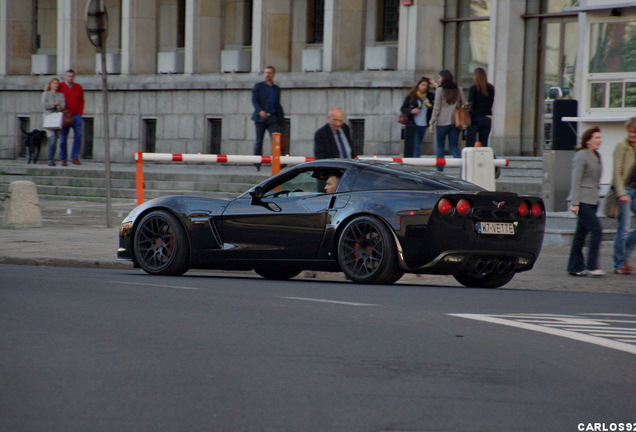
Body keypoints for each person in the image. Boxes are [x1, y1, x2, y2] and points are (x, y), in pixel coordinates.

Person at [566, 126, 606, 277]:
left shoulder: (597, 155)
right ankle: (592, 265)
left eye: (600, 138)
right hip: (582, 200)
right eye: (596, 138)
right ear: (588, 141)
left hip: (593, 200)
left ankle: (574, 267)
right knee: (596, 230)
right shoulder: (581, 155)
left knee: (580, 235)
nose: (599, 140)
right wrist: (575, 203)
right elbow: (576, 180)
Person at [611, 116, 636, 275]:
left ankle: (624, 257)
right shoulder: (622, 146)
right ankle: (618, 264)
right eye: (630, 132)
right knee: (624, 228)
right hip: (625, 190)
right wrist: (621, 193)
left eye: (635, 132)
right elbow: (617, 172)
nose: (632, 134)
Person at [430, 70, 465, 171]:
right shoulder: (458, 89)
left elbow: (437, 108)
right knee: (453, 147)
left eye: (440, 77)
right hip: (455, 122)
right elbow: (464, 104)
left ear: (444, 78)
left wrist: (431, 122)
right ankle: (462, 167)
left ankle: (440, 170)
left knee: (440, 147)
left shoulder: (440, 90)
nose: (439, 79)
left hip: (441, 122)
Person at [251, 66, 285, 171]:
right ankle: (257, 163)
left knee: (276, 140)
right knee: (259, 141)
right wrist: (260, 111)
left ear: (273, 74)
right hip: (260, 118)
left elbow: (277, 104)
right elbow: (254, 101)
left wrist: (281, 119)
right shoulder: (258, 87)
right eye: (266, 73)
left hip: (273, 117)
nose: (268, 74)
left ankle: (278, 162)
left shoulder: (276, 89)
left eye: (270, 73)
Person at [400, 77, 435, 157]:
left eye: (426, 86)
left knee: (418, 143)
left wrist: (434, 84)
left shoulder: (430, 96)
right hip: (413, 123)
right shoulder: (412, 96)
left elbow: (440, 96)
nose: (424, 87)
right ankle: (416, 160)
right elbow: (403, 109)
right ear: (418, 85)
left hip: (423, 124)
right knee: (416, 145)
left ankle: (415, 159)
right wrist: (411, 111)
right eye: (422, 85)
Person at [58, 69, 85, 166]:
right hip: (65, 114)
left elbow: (82, 100)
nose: (70, 78)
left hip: (76, 115)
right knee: (63, 138)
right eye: (69, 76)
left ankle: (75, 157)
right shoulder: (60, 86)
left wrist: (80, 112)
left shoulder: (78, 87)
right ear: (65, 76)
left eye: (72, 76)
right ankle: (63, 159)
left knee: (78, 136)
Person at [466, 67, 495, 147]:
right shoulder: (491, 88)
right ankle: (485, 158)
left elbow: (470, 103)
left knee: (470, 142)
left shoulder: (473, 88)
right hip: (486, 118)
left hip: (475, 118)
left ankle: (472, 158)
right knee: (484, 143)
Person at [42, 77, 66, 167]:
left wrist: (58, 105)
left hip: (57, 119)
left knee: (56, 139)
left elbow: (63, 106)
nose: (55, 85)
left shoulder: (61, 95)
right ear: (50, 84)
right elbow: (44, 105)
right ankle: (50, 159)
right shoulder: (46, 94)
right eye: (54, 83)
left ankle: (58, 158)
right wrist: (53, 104)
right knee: (52, 139)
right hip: (48, 119)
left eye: (57, 83)